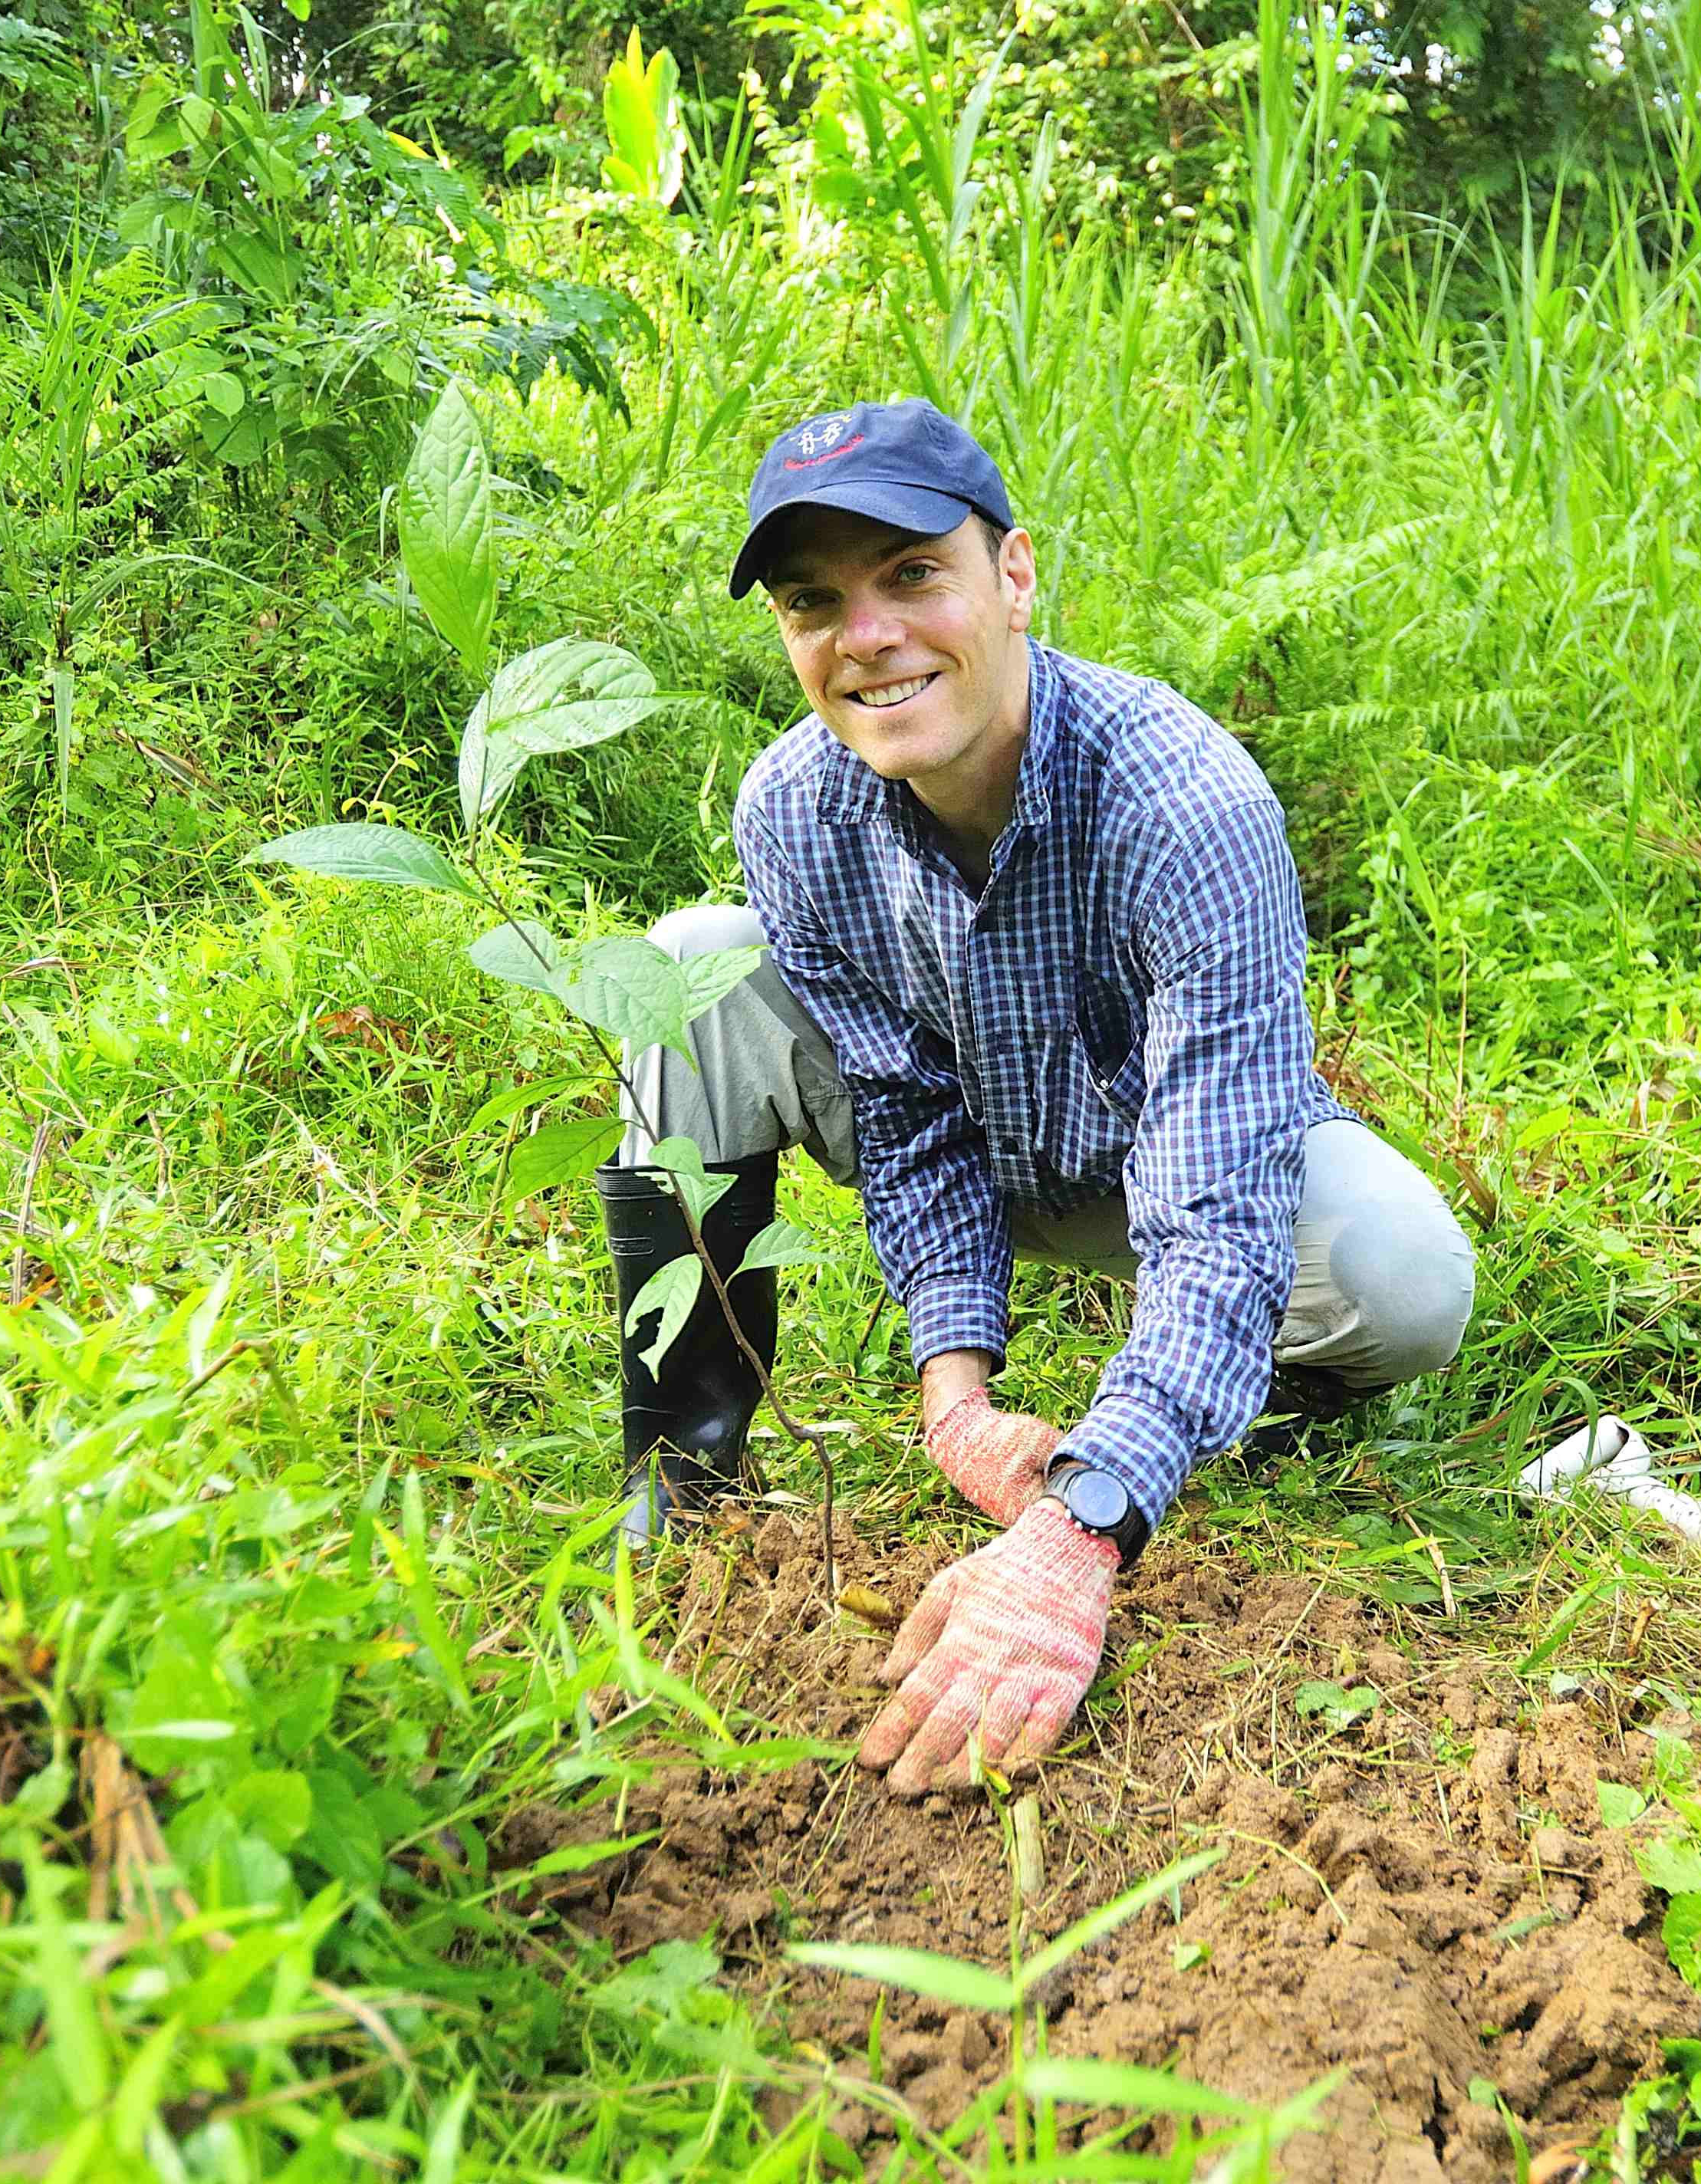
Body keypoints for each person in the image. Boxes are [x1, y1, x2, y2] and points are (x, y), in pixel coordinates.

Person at [590, 399, 1477, 1797]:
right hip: (995, 1157)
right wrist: (956, 1392)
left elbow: (1221, 1206)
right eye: (815, 601)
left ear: (1013, 576)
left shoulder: (1183, 802)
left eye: (912, 576)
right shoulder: (793, 809)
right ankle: (682, 1466)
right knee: (690, 968)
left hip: (1166, 1169)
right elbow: (903, 1114)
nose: (867, 635)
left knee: (1407, 1276)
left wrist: (1082, 1526)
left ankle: (1203, 1399)